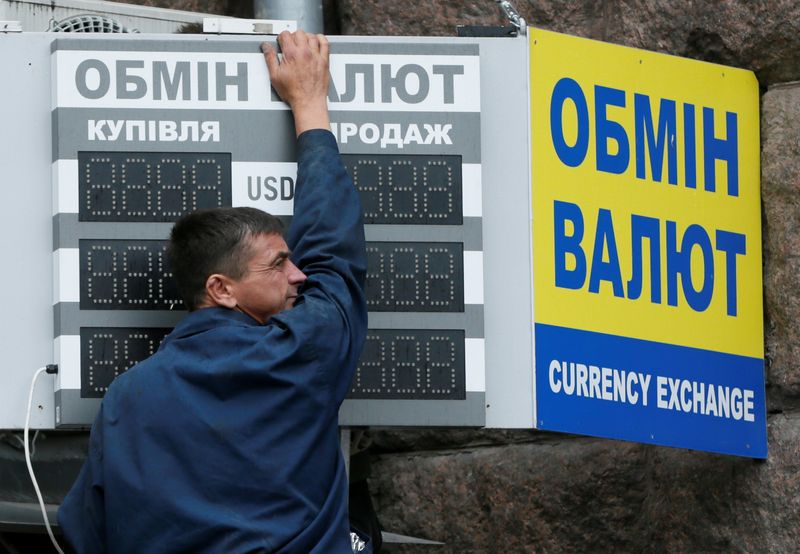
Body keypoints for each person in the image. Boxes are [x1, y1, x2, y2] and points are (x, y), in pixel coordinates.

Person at [57, 30, 368, 553]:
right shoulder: (299, 353)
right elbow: (334, 251)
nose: (300, 276)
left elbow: (85, 532)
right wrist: (311, 106)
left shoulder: (124, 400)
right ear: (221, 289)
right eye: (279, 264)